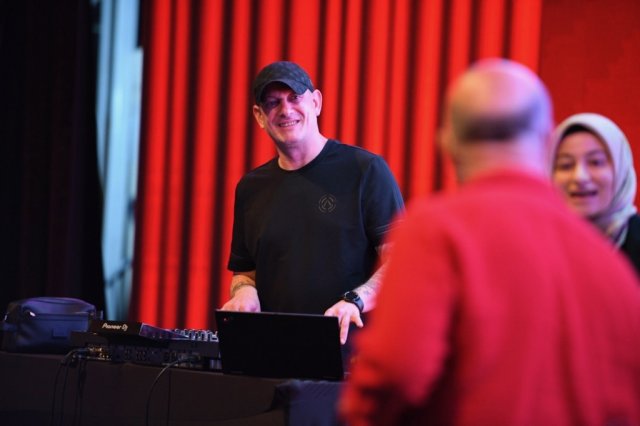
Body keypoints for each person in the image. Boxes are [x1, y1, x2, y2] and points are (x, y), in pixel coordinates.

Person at [339, 58, 640, 425]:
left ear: (447, 142)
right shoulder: (608, 261)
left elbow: (396, 370)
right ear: (547, 141)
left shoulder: (433, 231)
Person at [220, 61, 404, 345]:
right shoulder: (251, 188)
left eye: (294, 97)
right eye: (273, 103)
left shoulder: (365, 170)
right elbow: (245, 272)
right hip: (272, 353)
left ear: (316, 102)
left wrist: (355, 300)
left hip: (348, 354)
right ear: (259, 116)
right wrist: (244, 291)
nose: (286, 110)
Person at [551, 112, 640, 275]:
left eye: (596, 162)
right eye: (565, 165)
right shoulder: (537, 244)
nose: (580, 177)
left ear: (621, 171)